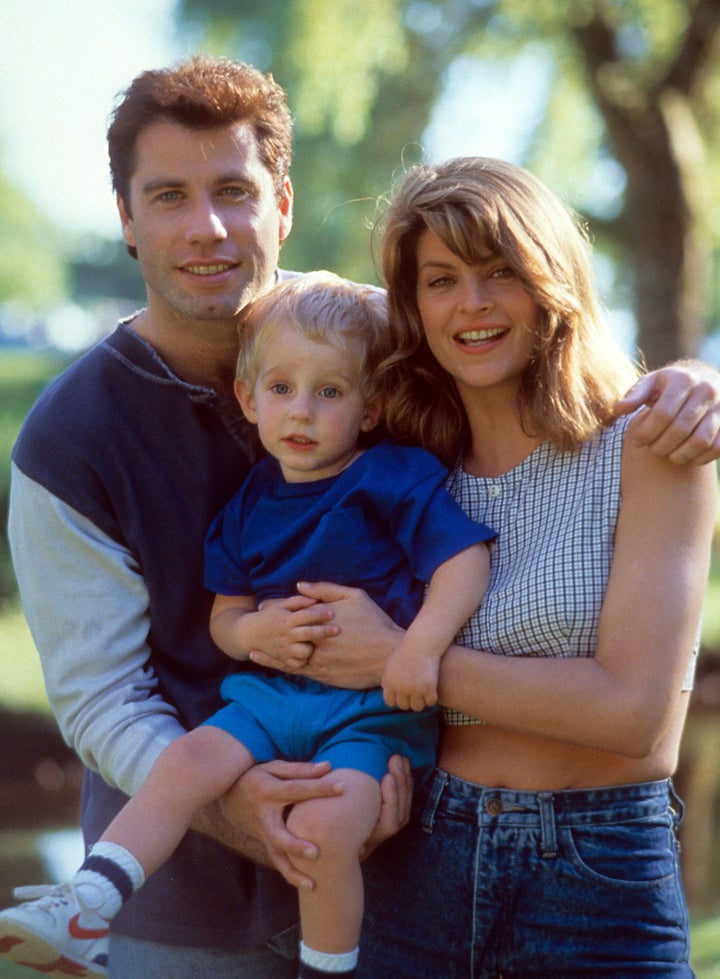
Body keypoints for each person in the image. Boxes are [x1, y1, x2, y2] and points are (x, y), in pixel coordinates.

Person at [2, 51, 720, 978]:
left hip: (430, 852)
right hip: (201, 900)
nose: (208, 227)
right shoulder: (72, 435)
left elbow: (545, 358)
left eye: (233, 189)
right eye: (169, 196)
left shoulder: (387, 351)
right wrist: (241, 795)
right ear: (127, 221)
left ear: (283, 205)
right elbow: (103, 695)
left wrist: (691, 380)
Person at [254, 157, 716, 977]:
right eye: (441, 279)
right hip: (416, 850)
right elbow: (288, 326)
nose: (471, 304)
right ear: (414, 306)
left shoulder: (649, 443)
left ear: (551, 279)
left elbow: (634, 712)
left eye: (500, 271)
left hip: (597, 871)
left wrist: (400, 658)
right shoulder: (398, 459)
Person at [0, 272, 494, 979]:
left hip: (370, 716)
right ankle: (87, 902)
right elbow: (225, 613)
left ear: (370, 406)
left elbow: (464, 562)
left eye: (330, 391)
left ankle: (328, 968)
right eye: (283, 388)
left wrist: (418, 650)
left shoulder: (392, 474)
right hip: (271, 699)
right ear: (248, 397)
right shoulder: (252, 499)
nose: (302, 410)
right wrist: (251, 634)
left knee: (323, 835)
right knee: (185, 761)